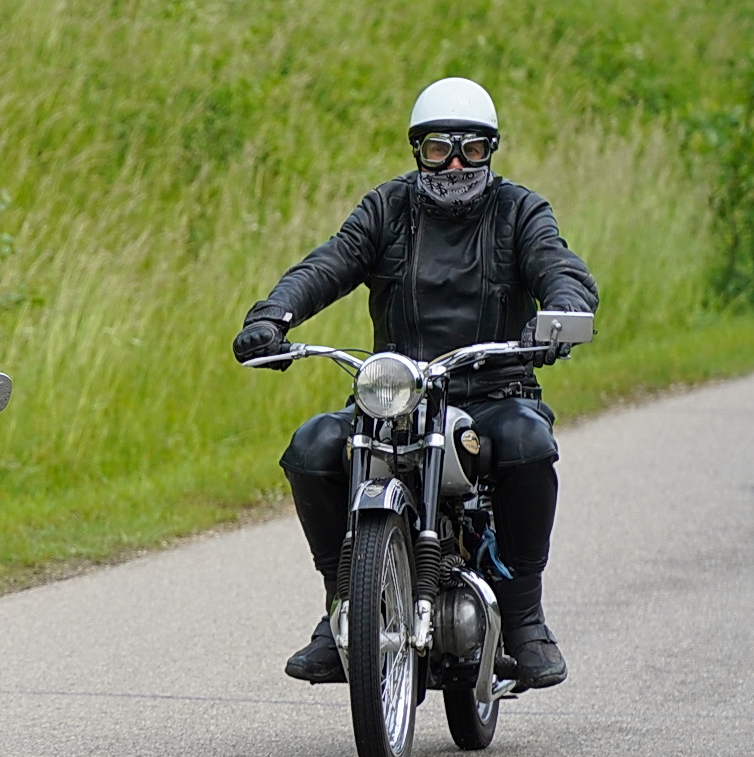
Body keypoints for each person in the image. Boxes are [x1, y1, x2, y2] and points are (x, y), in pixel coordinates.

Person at [232, 77, 598, 691]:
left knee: (529, 445)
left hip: (494, 392)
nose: (455, 163)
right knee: (314, 446)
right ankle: (342, 604)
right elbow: (331, 262)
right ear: (416, 150)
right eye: (438, 149)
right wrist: (274, 315)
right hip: (395, 398)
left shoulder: (520, 210)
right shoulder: (387, 208)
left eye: (471, 150)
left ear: (492, 150)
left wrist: (559, 312)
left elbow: (558, 264)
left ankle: (525, 616)